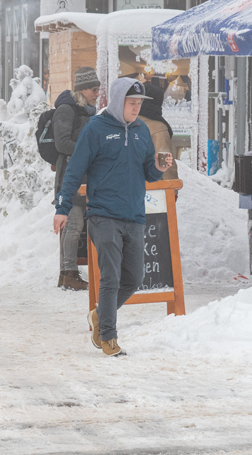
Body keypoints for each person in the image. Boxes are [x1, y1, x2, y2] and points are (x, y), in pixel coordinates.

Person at [54, 77, 172, 357]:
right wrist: (62, 208)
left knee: (134, 278)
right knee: (111, 277)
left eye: (139, 103)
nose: (136, 108)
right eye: (132, 103)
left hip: (134, 216)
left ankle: (99, 315)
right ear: (119, 102)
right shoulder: (95, 129)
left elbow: (148, 172)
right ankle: (108, 337)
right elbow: (74, 171)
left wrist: (158, 168)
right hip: (103, 215)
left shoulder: (142, 131)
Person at [52, 66, 101, 291]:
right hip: (69, 175)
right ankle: (68, 273)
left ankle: (68, 274)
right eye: (93, 89)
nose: (97, 94)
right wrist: (87, 153)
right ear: (82, 89)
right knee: (73, 225)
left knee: (77, 225)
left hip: (85, 176)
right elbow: (61, 143)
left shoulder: (88, 112)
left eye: (98, 89)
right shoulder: (66, 110)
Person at [138, 78, 179, 182]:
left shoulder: (126, 122)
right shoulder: (158, 128)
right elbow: (165, 162)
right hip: (152, 187)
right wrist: (173, 186)